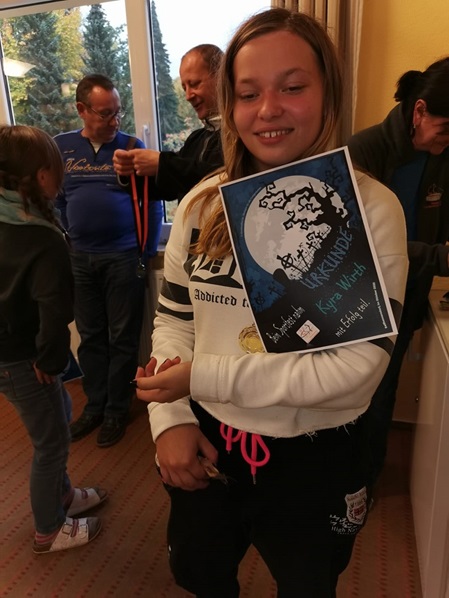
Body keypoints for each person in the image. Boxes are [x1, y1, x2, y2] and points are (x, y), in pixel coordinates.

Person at [132, 8, 408, 597]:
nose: (268, 109)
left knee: (309, 584)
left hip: (317, 454)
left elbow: (357, 372)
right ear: (230, 105)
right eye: (248, 92)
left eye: (293, 87)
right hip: (209, 436)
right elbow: (174, 320)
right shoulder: (203, 203)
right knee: (201, 574)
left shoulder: (370, 210)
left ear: (328, 93)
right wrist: (170, 421)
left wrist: (198, 379)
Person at [0, 124, 107, 554]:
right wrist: (50, 361)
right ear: (43, 175)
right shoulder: (41, 235)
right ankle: (49, 528)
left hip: (9, 352)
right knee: (51, 443)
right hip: (26, 358)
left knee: (60, 410)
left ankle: (62, 495)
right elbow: (54, 309)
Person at [347, 57, 449, 486]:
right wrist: (440, 258)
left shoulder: (441, 155)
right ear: (420, 111)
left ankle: (364, 480)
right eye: (446, 128)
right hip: (359, 298)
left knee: (384, 392)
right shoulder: (364, 150)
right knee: (353, 389)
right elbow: (358, 244)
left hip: (408, 296)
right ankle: (344, 478)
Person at [55, 74, 163, 447]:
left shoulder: (132, 147)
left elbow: (152, 202)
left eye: (118, 112)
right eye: (105, 114)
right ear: (82, 110)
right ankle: (95, 406)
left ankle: (117, 409)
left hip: (123, 257)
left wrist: (146, 252)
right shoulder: (62, 147)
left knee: (122, 338)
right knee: (90, 338)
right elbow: (57, 198)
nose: (115, 121)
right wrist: (66, 233)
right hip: (79, 258)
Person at [113, 44, 224, 203]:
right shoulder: (196, 139)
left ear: (221, 76)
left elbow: (218, 179)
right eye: (184, 88)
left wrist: (161, 164)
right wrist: (130, 171)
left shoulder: (241, 134)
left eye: (194, 84)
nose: (188, 96)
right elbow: (169, 187)